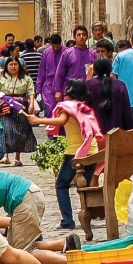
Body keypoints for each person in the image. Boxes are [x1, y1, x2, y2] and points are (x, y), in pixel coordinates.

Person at [28, 79, 100, 230]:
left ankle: (68, 220)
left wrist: (38, 120)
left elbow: (61, 121)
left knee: (61, 184)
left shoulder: (68, 107)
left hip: (75, 152)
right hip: (92, 151)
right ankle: (88, 215)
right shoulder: (84, 107)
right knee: (84, 187)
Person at [0, 56, 36, 166]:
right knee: (7, 129)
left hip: (21, 106)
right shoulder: (1, 77)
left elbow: (31, 91)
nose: (13, 66)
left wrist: (32, 104)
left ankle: (17, 157)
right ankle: (5, 155)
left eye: (16, 64)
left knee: (20, 131)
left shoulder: (25, 78)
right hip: (6, 106)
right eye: (11, 64)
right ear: (7, 66)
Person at [85, 55, 133, 133]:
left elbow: (84, 108)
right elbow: (127, 110)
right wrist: (129, 130)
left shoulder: (88, 84)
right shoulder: (120, 85)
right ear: (110, 69)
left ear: (94, 70)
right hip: (116, 133)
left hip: (94, 133)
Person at [37, 34, 67, 113]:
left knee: (64, 109)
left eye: (58, 46)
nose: (56, 48)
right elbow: (41, 72)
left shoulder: (66, 52)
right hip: (49, 85)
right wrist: (38, 89)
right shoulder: (46, 53)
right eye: (54, 46)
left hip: (63, 83)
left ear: (61, 43)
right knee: (51, 109)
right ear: (50, 44)